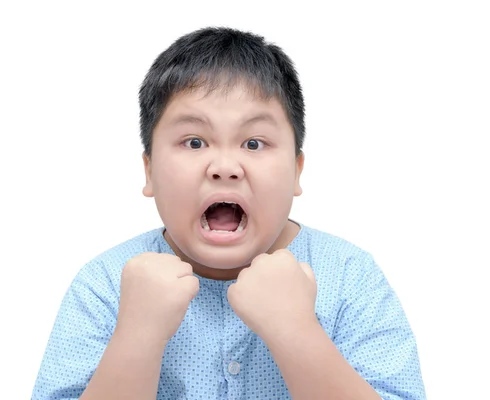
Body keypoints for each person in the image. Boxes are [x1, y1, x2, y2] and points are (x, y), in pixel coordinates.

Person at [31, 27, 426, 400]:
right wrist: (137, 335)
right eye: (195, 141)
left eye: (253, 143)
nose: (224, 166)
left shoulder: (348, 275)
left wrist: (296, 331)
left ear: (296, 171)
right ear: (149, 170)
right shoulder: (105, 284)